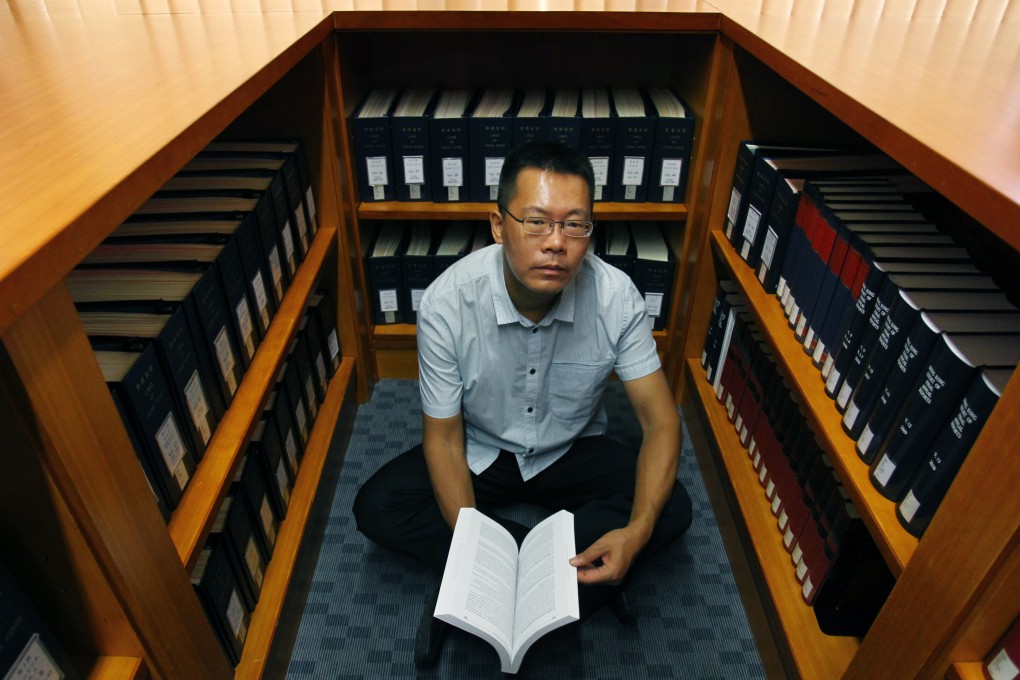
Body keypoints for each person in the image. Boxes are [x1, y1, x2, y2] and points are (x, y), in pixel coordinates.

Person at [353, 141, 693, 669]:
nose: (556, 244)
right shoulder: (449, 301)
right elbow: (443, 437)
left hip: (572, 447)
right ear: (497, 224)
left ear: (589, 233)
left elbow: (661, 421)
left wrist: (637, 530)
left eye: (574, 225)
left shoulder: (616, 297)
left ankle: (537, 577)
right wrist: (477, 554)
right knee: (378, 505)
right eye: (536, 222)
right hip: (483, 448)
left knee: (670, 505)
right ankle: (562, 580)